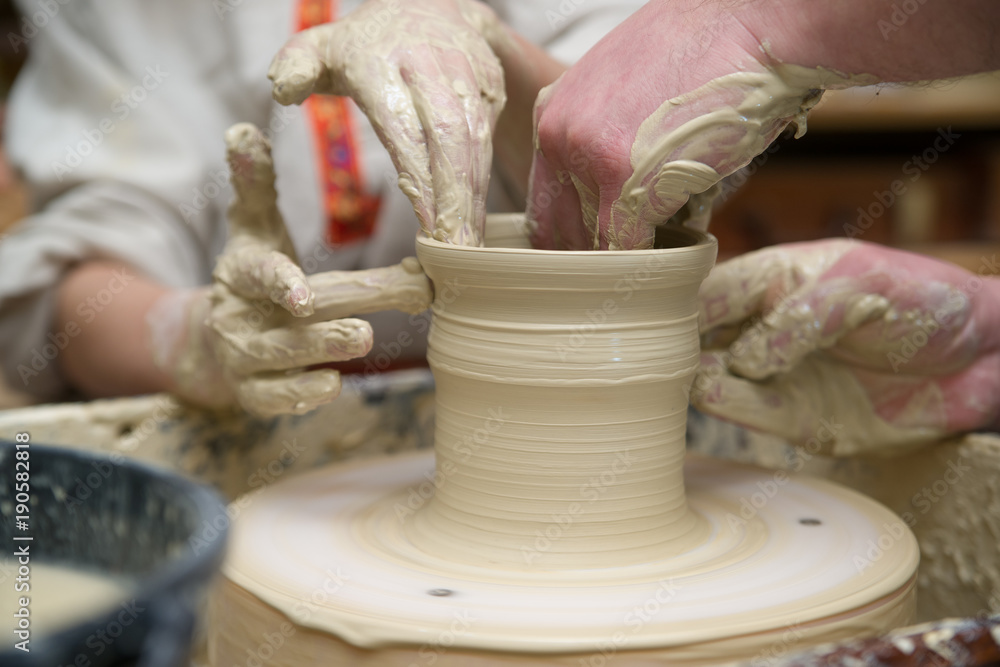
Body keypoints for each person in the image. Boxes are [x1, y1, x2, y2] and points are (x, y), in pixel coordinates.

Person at [0, 0, 641, 415]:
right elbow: (72, 291)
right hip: (253, 421)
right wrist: (195, 339)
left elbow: (661, 146)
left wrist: (501, 53)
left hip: (572, 396)